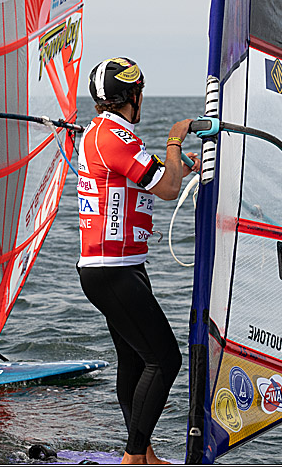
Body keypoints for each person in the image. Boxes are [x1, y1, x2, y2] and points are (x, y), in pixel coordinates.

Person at [76, 58, 199, 465]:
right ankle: (132, 458)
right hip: (110, 270)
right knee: (165, 359)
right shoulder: (113, 137)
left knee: (133, 358)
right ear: (133, 96)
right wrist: (175, 140)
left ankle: (143, 451)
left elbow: (153, 175)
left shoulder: (108, 133)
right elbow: (164, 189)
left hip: (125, 266)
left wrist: (181, 166)